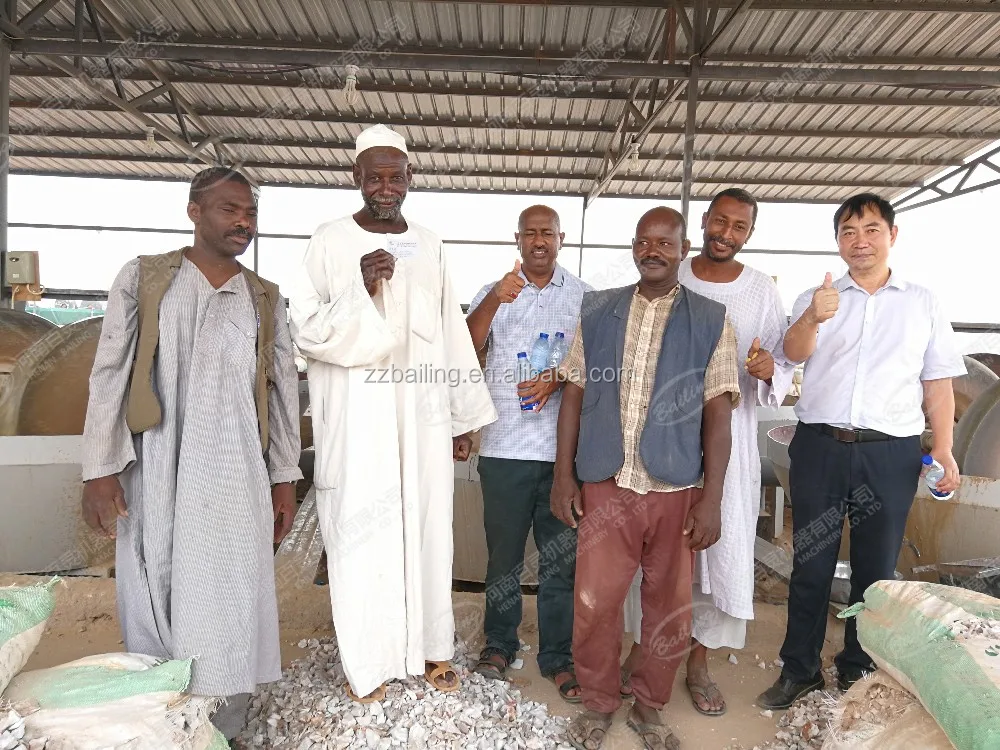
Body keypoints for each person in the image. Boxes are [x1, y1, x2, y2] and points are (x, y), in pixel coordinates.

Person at [80, 167, 303, 742]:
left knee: (230, 583)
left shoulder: (264, 297)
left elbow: (282, 389)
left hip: (236, 468)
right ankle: (161, 716)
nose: (243, 222)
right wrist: (99, 469)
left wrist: (284, 477)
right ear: (194, 212)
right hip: (156, 461)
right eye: (230, 209)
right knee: (154, 578)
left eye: (250, 213)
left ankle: (220, 722)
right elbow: (109, 372)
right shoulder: (146, 278)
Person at [287, 124, 497, 703]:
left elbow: (451, 332)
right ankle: (369, 663)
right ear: (355, 177)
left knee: (429, 527)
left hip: (424, 418)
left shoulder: (430, 244)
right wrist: (359, 287)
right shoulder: (330, 241)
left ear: (410, 178)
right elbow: (305, 330)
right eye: (374, 177)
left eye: (396, 176)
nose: (386, 187)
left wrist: (462, 418)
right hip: (359, 421)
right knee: (364, 534)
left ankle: (432, 648)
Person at [756, 193, 966, 710]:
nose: (860, 241)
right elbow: (791, 356)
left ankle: (858, 667)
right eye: (848, 232)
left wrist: (944, 447)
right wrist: (812, 316)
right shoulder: (818, 297)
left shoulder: (922, 302)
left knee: (876, 570)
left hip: (890, 454)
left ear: (892, 235)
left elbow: (938, 383)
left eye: (871, 229)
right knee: (811, 563)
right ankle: (800, 670)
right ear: (837, 242)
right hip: (821, 447)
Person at [552, 206, 740, 749]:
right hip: (607, 482)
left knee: (669, 610)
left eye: (664, 242)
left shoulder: (711, 319)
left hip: (675, 488)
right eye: (643, 241)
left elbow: (718, 414)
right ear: (634, 247)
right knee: (596, 603)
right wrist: (564, 476)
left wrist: (712, 498)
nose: (652, 251)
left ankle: (649, 706)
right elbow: (574, 393)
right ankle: (598, 702)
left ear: (683, 250)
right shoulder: (599, 310)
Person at [621, 188, 796, 716]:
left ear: (750, 233)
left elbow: (781, 360)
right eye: (720, 221)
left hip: (729, 439)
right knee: (659, 549)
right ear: (702, 222)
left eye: (739, 226)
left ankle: (697, 662)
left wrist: (769, 369)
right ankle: (643, 648)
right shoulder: (672, 270)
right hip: (661, 434)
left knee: (716, 549)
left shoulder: (761, 289)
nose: (726, 233)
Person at [465, 205, 593, 702]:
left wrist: (557, 376)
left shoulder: (582, 296)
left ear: (561, 238)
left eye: (548, 233)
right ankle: (499, 644)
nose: (539, 241)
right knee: (504, 559)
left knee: (562, 562)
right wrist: (494, 300)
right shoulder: (496, 291)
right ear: (517, 239)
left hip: (564, 456)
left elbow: (595, 362)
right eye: (530, 233)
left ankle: (558, 656)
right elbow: (466, 345)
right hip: (504, 448)